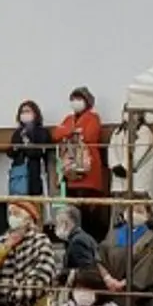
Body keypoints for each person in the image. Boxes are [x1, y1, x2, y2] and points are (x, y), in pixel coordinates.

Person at [54, 86, 109, 237]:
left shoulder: (93, 118)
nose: (75, 102)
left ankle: (92, 238)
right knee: (72, 209)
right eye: (73, 99)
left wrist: (69, 131)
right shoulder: (68, 118)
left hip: (89, 169)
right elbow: (57, 134)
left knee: (90, 208)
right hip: (71, 170)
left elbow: (90, 135)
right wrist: (73, 131)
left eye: (79, 99)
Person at [6, 101, 56, 206]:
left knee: (35, 204)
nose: (24, 114)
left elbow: (39, 152)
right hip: (19, 172)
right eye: (22, 112)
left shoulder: (42, 132)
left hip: (36, 171)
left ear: (35, 114)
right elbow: (10, 152)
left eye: (28, 111)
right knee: (19, 206)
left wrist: (26, 143)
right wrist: (16, 148)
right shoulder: (18, 132)